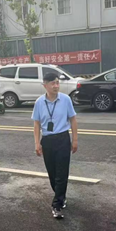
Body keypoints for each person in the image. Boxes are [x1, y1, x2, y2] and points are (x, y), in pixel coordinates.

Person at [32, 72, 78, 219]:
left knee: (62, 173)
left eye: (57, 82)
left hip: (62, 139)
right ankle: (61, 196)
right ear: (45, 85)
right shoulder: (39, 102)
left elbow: (73, 120)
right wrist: (37, 143)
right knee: (52, 173)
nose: (56, 86)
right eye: (52, 83)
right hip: (47, 141)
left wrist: (75, 140)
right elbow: (37, 124)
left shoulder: (65, 100)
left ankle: (56, 205)